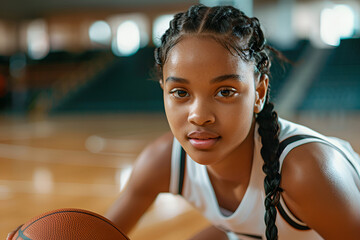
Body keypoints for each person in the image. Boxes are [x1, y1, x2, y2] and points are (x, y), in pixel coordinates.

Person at [105, 4, 360, 240]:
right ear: (163, 90)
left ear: (259, 92)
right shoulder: (164, 160)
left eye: (225, 92)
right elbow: (99, 232)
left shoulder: (306, 172)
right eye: (181, 93)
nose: (199, 115)